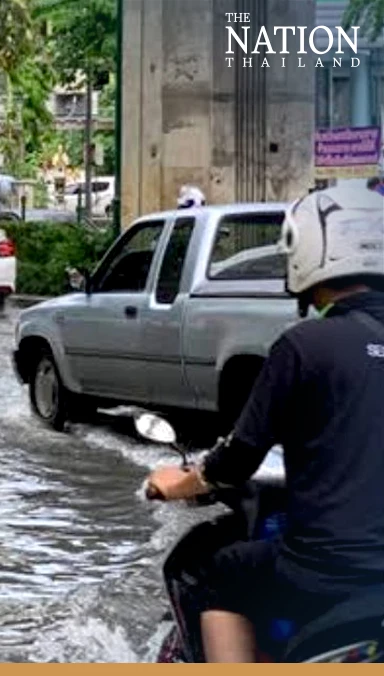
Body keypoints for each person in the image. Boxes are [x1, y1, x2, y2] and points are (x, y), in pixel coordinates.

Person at [146, 182, 384, 662]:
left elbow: (235, 460)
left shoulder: (305, 345)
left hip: (326, 571)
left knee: (213, 577)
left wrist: (174, 484)